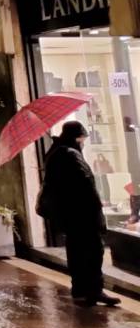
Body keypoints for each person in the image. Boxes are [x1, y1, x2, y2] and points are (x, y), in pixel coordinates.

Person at [37, 121, 120, 307]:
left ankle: (81, 291)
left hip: (70, 214)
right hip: (82, 214)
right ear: (77, 137)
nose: (84, 142)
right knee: (92, 251)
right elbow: (84, 185)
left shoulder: (55, 153)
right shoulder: (69, 154)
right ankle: (94, 291)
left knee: (77, 251)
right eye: (82, 138)